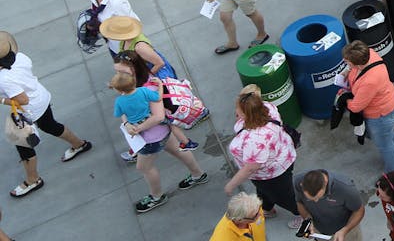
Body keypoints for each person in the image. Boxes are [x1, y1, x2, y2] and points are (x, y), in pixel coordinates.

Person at [0, 31, 91, 198]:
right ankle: (80, 145)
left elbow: (23, 99)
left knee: (23, 146)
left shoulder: (4, 78)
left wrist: (2, 100)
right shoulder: (20, 57)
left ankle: (33, 180)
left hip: (28, 109)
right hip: (41, 98)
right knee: (50, 125)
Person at [110, 70, 207, 213]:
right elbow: (157, 98)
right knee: (178, 150)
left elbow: (119, 114)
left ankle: (157, 197)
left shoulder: (120, 101)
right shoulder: (144, 91)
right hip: (164, 131)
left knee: (144, 167)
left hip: (148, 139)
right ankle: (198, 174)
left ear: (118, 89)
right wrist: (160, 85)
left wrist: (130, 126)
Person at [224, 87, 300, 230]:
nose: (236, 112)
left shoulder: (255, 141)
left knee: (286, 197)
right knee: (264, 190)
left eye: (238, 111)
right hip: (283, 156)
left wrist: (231, 185)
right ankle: (267, 208)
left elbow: (251, 168)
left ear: (247, 115)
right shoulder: (267, 108)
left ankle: (303, 215)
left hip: (272, 174)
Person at [342, 40, 394, 173]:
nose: (346, 63)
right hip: (389, 102)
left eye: (348, 62)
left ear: (359, 65)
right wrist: (347, 71)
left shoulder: (370, 81)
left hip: (381, 114)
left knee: (384, 145)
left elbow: (355, 107)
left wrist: (343, 97)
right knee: (383, 135)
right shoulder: (370, 54)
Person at [296, 169, 366, 241]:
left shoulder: (346, 189)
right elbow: (299, 202)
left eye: (318, 197)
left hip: (346, 232)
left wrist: (345, 230)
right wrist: (308, 220)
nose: (316, 201)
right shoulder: (297, 182)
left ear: (325, 183)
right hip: (318, 231)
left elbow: (359, 211)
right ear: (301, 185)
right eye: (310, 199)